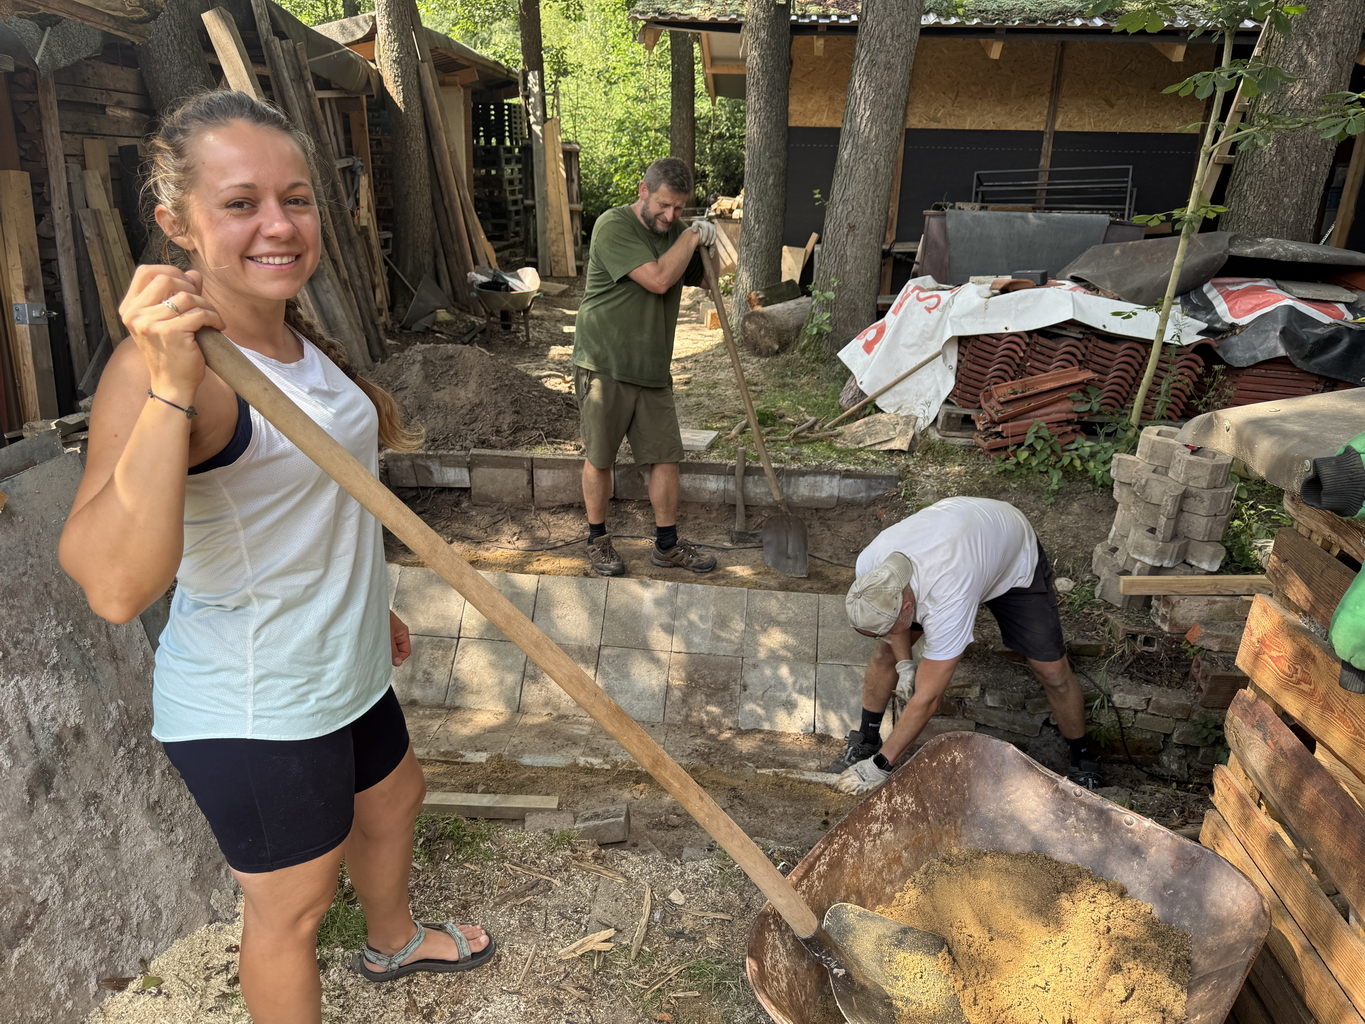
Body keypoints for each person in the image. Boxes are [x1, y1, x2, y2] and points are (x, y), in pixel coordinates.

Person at [57, 92, 492, 1024]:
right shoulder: (168, 372)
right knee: (291, 910)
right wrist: (170, 386)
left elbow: (309, 502)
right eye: (241, 203)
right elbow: (114, 586)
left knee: (395, 800)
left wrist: (365, 603)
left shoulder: (292, 339)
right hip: (259, 703)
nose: (280, 225)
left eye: (295, 199)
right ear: (177, 224)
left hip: (342, 660)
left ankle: (392, 943)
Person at [829, 496, 1101, 795]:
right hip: (963, 542)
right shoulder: (870, 568)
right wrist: (904, 663)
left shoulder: (948, 599)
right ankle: (866, 741)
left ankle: (1082, 761)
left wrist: (881, 766)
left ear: (906, 607)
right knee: (886, 653)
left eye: (889, 627)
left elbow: (928, 697)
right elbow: (891, 631)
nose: (888, 634)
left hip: (1011, 554)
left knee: (1051, 672)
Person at [572, 156, 719, 576]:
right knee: (600, 458)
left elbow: (710, 281)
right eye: (664, 205)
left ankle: (667, 546)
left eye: (679, 208)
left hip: (652, 368)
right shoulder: (613, 226)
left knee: (666, 458)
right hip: (605, 364)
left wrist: (710, 245)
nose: (670, 216)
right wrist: (690, 236)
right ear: (643, 191)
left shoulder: (677, 234)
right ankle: (597, 541)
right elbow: (657, 278)